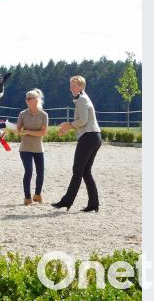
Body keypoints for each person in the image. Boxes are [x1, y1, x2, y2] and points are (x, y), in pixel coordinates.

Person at [51, 76, 102, 212]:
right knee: (85, 172)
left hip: (88, 137)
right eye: (70, 85)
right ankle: (93, 203)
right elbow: (83, 121)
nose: (71, 88)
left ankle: (66, 201)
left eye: (73, 86)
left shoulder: (82, 99)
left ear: (81, 87)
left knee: (77, 170)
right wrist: (69, 126)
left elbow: (83, 121)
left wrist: (68, 125)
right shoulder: (84, 98)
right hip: (94, 137)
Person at [17, 89, 49, 205]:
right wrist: (21, 131)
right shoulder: (22, 114)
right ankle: (27, 197)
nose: (28, 100)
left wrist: (28, 131)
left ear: (37, 100)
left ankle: (38, 194)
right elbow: (19, 131)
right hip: (25, 148)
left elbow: (43, 133)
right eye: (27, 98)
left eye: (31, 98)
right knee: (28, 171)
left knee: (41, 172)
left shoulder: (44, 115)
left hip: (38, 148)